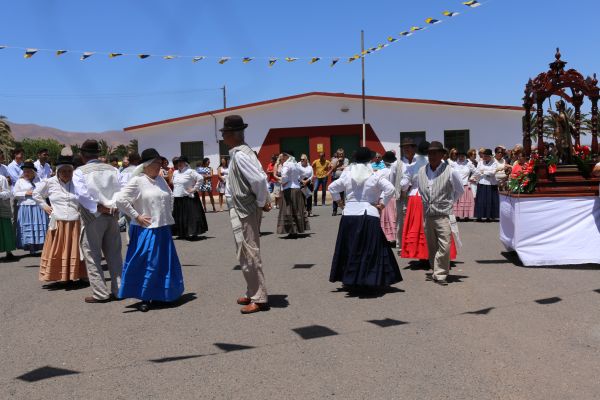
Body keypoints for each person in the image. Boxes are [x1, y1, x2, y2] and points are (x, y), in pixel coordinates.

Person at [116, 148, 184, 312]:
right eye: (156, 162)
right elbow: (120, 200)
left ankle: (163, 294)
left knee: (163, 263)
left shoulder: (160, 180)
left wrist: (167, 216)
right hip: (146, 229)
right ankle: (145, 297)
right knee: (148, 264)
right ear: (146, 165)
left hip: (162, 228)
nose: (160, 165)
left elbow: (170, 196)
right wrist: (136, 216)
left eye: (160, 162)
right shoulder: (138, 181)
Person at [328, 147, 401, 291]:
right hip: (369, 214)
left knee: (349, 248)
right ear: (369, 160)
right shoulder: (374, 175)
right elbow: (390, 189)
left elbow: (332, 187)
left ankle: (351, 279)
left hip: (349, 215)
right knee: (369, 250)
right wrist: (381, 204)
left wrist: (340, 203)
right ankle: (368, 279)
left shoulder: (347, 175)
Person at [221, 115, 272, 314]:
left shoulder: (241, 155)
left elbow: (259, 179)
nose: (223, 136)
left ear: (233, 134)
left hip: (246, 208)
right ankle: (252, 292)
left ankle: (259, 298)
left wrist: (261, 202)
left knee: (250, 252)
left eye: (225, 132)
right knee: (244, 252)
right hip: (242, 207)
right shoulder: (240, 152)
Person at [73, 139, 123, 304]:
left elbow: (81, 194)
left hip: (93, 217)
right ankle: (119, 289)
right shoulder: (113, 169)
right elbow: (122, 190)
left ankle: (101, 293)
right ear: (97, 153)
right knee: (114, 253)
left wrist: (97, 207)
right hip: (112, 214)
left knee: (92, 254)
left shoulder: (80, 171)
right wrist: (113, 206)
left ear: (82, 155)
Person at [33, 154, 87, 284]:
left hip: (75, 222)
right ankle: (61, 276)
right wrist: (44, 206)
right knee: (59, 250)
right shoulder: (50, 182)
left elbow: (86, 197)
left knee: (77, 249)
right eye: (63, 171)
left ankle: (79, 274)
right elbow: (36, 193)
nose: (67, 173)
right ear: (58, 171)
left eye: (69, 170)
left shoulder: (77, 183)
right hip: (58, 222)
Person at [418, 141, 464, 285]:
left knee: (445, 245)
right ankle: (435, 270)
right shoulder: (421, 171)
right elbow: (421, 189)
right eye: (430, 153)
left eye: (435, 153)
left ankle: (441, 274)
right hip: (428, 214)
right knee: (432, 246)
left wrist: (449, 202)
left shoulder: (450, 170)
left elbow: (460, 190)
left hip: (443, 214)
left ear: (442, 155)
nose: (432, 155)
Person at [13, 160, 48, 254]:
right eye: (24, 171)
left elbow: (45, 193)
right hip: (25, 207)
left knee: (38, 226)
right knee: (28, 227)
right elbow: (15, 194)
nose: (26, 173)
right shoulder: (20, 181)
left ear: (33, 172)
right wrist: (25, 193)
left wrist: (38, 194)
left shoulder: (40, 180)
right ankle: (31, 248)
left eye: (28, 171)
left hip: (38, 206)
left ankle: (42, 246)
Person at [390, 138, 418, 253]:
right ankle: (402, 245)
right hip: (402, 196)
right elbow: (392, 181)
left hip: (416, 196)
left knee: (415, 221)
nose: (406, 149)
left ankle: (414, 245)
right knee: (402, 221)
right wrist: (397, 192)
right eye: (404, 147)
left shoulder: (419, 162)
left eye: (409, 146)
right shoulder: (397, 164)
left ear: (414, 148)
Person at [172, 156, 207, 239]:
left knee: (191, 217)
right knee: (179, 217)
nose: (179, 163)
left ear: (186, 163)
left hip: (188, 197)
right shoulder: (175, 172)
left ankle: (193, 233)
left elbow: (200, 178)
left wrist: (194, 189)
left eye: (181, 162)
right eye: (178, 162)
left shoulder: (190, 171)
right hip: (178, 197)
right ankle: (181, 233)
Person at [277, 150, 310, 236]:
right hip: (297, 189)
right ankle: (297, 229)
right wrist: (297, 180)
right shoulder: (296, 164)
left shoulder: (286, 165)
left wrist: (283, 182)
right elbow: (302, 173)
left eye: (282, 157)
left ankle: (292, 231)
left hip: (289, 189)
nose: (281, 159)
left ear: (285, 156)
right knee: (297, 209)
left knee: (289, 209)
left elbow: (284, 176)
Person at [474, 148, 499, 222]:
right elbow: (477, 171)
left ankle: (489, 216)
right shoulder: (480, 162)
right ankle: (479, 216)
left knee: (489, 201)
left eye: (486, 156)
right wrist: (487, 172)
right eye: (484, 156)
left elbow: (493, 173)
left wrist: (484, 172)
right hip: (482, 183)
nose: (484, 157)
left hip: (491, 184)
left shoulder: (494, 163)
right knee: (481, 200)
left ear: (490, 156)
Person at [379, 151, 398, 246]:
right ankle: (396, 237)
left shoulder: (382, 171)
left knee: (387, 217)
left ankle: (388, 237)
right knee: (395, 217)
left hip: (385, 196)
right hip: (395, 195)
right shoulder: (397, 168)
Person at [452, 150, 477, 220]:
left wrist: (471, 178)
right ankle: (456, 216)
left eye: (462, 156)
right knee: (456, 201)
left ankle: (466, 216)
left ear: (465, 156)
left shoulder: (469, 164)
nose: (461, 157)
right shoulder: (454, 164)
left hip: (465, 184)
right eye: (459, 156)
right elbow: (450, 173)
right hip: (456, 185)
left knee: (465, 201)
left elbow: (476, 172)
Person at [0, 173, 16, 260]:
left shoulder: (2, 178)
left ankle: (8, 251)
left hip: (2, 206)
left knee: (6, 229)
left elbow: (8, 193)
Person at [330, 148, 349, 216]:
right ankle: (334, 210)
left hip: (343, 179)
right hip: (335, 178)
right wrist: (338, 162)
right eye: (339, 154)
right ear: (337, 154)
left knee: (342, 195)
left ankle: (343, 209)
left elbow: (345, 168)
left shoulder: (346, 160)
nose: (341, 155)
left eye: (342, 154)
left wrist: (337, 168)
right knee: (335, 194)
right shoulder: (333, 159)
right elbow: (333, 169)